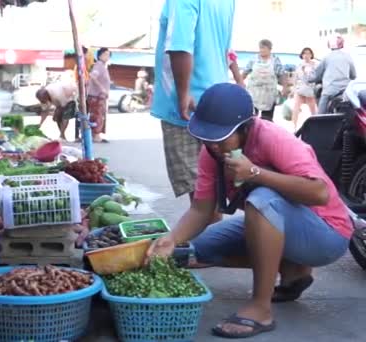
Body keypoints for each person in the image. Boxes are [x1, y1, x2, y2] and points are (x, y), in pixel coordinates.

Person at [147, 83, 351, 339]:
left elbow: (319, 193)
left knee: (261, 199)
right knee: (201, 248)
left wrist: (256, 172)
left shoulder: (273, 138)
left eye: (221, 137)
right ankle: (292, 271)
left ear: (245, 128)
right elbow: (201, 210)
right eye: (207, 137)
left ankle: (260, 307)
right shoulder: (213, 151)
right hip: (287, 226)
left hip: (327, 234)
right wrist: (173, 239)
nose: (214, 145)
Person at [152, 0, 236, 201]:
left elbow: (180, 46)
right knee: (214, 190)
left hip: (187, 108)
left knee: (201, 195)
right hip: (217, 100)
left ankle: (208, 233)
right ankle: (213, 232)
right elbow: (226, 51)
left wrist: (183, 93)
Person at [243, 39, 290, 121]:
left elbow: (282, 74)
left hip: (269, 93)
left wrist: (285, 87)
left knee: (267, 119)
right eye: (260, 48)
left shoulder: (275, 60)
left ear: (270, 49)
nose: (261, 50)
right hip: (254, 92)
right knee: (251, 118)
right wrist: (239, 83)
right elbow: (245, 72)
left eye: (264, 48)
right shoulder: (253, 59)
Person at [310, 36, 357, 114]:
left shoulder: (326, 57)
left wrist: (309, 79)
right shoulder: (348, 57)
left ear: (329, 45)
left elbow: (316, 75)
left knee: (321, 114)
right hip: (345, 91)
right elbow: (353, 75)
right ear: (342, 44)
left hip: (329, 90)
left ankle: (321, 123)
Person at [87, 48, 112, 143]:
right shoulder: (99, 65)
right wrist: (102, 88)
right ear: (100, 55)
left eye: (108, 54)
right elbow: (93, 76)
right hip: (96, 96)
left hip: (100, 96)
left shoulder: (103, 66)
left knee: (99, 115)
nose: (107, 56)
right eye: (105, 54)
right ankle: (95, 135)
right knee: (97, 115)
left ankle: (96, 134)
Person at [292, 47, 319, 129]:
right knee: (296, 108)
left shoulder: (315, 65)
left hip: (310, 90)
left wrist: (305, 72)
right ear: (302, 55)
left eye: (308, 53)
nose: (306, 55)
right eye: (304, 53)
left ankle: (316, 126)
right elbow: (296, 77)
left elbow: (315, 77)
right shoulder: (299, 65)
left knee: (313, 109)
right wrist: (293, 89)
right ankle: (294, 127)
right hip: (300, 89)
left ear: (311, 55)